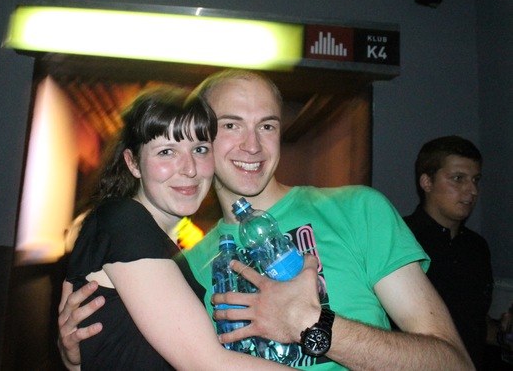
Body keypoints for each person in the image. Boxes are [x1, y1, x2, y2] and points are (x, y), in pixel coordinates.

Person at [59, 70, 474, 370]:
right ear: (202, 134)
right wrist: (76, 356)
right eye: (231, 125)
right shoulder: (186, 266)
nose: (253, 145)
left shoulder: (358, 210)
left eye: (267, 126)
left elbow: (454, 363)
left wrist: (312, 324)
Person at [63, 86, 302, 370]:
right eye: (167, 152)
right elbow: (208, 364)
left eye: (199, 149)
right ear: (133, 163)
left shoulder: (162, 243)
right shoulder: (124, 221)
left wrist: (71, 358)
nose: (189, 169)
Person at [402, 135, 503, 369]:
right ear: (427, 182)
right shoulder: (400, 239)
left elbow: (472, 322)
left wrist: (502, 332)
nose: (472, 190)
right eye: (458, 179)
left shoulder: (476, 247)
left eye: (475, 180)